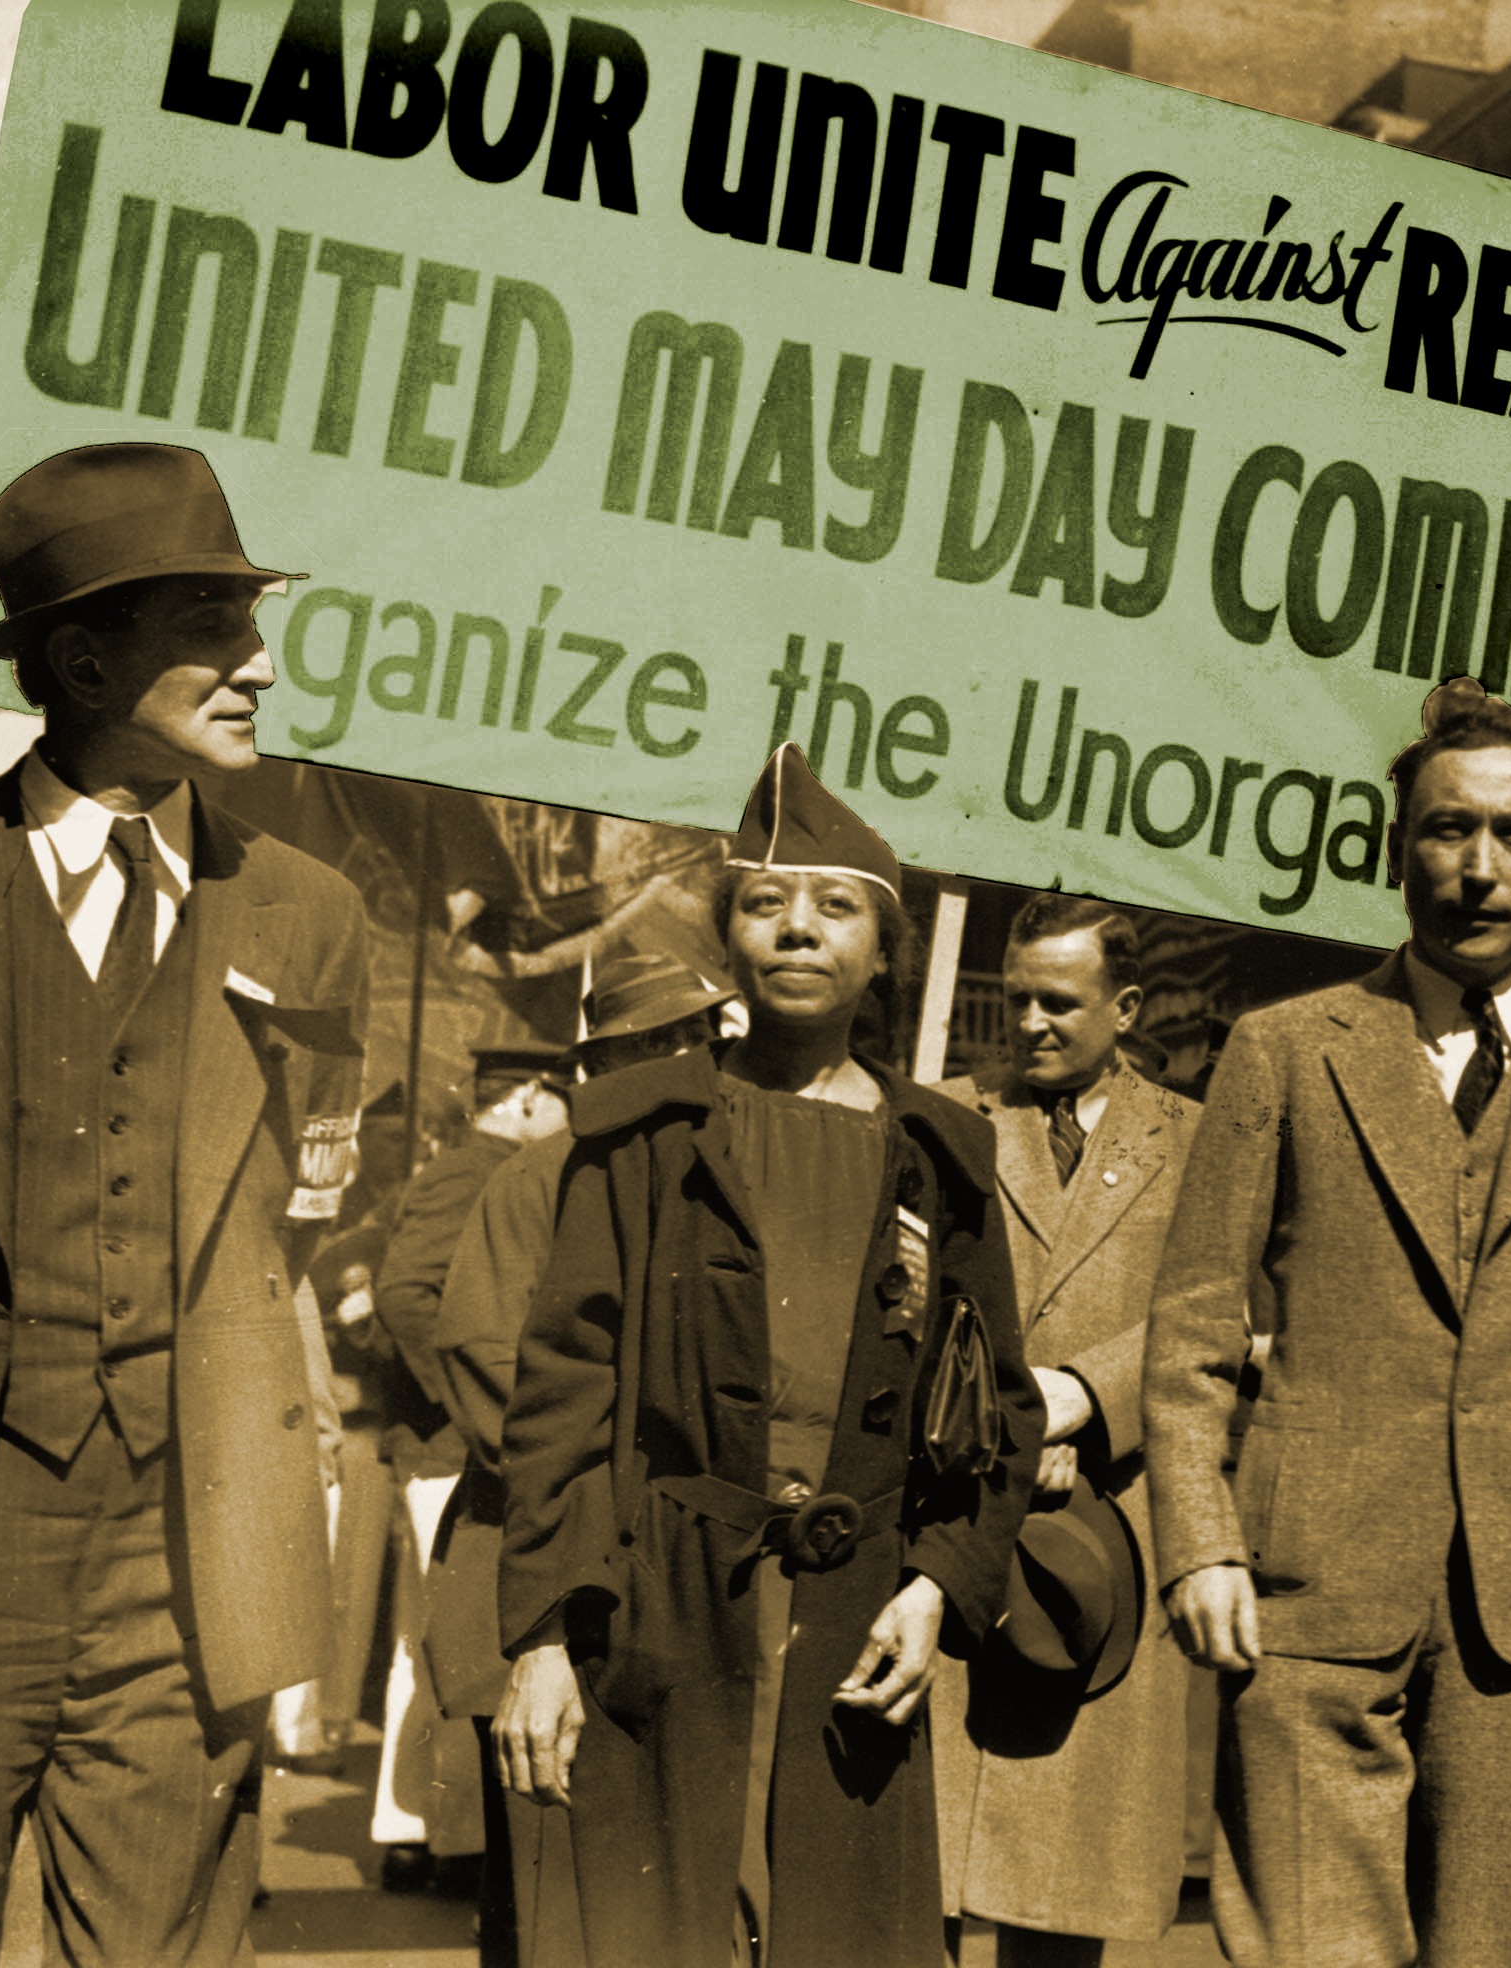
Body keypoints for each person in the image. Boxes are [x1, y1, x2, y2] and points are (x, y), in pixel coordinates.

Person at [0, 442, 369, 1963]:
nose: (257, 665)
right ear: (80, 657)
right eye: (209, 624)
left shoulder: (311, 919)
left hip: (185, 1562)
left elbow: (295, 1233)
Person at [1144, 676, 1511, 1968]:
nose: (1474, 866)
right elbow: (1190, 1331)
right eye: (1446, 829)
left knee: (1497, 1950)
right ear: (1394, 849)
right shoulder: (1285, 1049)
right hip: (1306, 1581)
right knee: (1303, 1945)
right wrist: (1199, 1543)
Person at [494, 744, 1045, 1967]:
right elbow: (561, 1402)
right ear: (728, 936)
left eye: (836, 906)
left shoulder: (941, 1155)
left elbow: (998, 1409)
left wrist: (938, 1585)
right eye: (765, 902)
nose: (800, 929)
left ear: (886, 949)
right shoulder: (645, 1134)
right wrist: (541, 1637)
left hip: (859, 1625)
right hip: (664, 1614)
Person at [428, 940, 740, 1968]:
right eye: (646, 1046)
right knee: (546, 1912)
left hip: (684, 1596)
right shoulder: (537, 1181)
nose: (675, 1063)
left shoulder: (727, 1169)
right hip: (544, 1580)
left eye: (690, 1039)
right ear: (600, 1063)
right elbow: (492, 1377)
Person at [933, 893, 1206, 1966]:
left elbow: (1214, 1311)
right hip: (957, 1511)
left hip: (1101, 1543)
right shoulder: (949, 1118)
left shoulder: (1193, 1139)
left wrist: (1083, 1398)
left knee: (1063, 1896)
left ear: (1127, 1006)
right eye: (1017, 1003)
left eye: (1061, 1002)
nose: (1033, 1024)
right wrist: (999, 1415)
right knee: (926, 1878)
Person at [362, 1040, 573, 1889]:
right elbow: (406, 1292)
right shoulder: (475, 1169)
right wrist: (471, 1399)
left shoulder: (471, 1167)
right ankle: (448, 1842)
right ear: (525, 1097)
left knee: (428, 1647)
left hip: (445, 1444)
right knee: (460, 1645)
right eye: (562, 1098)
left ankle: (415, 1829)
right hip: (458, 1446)